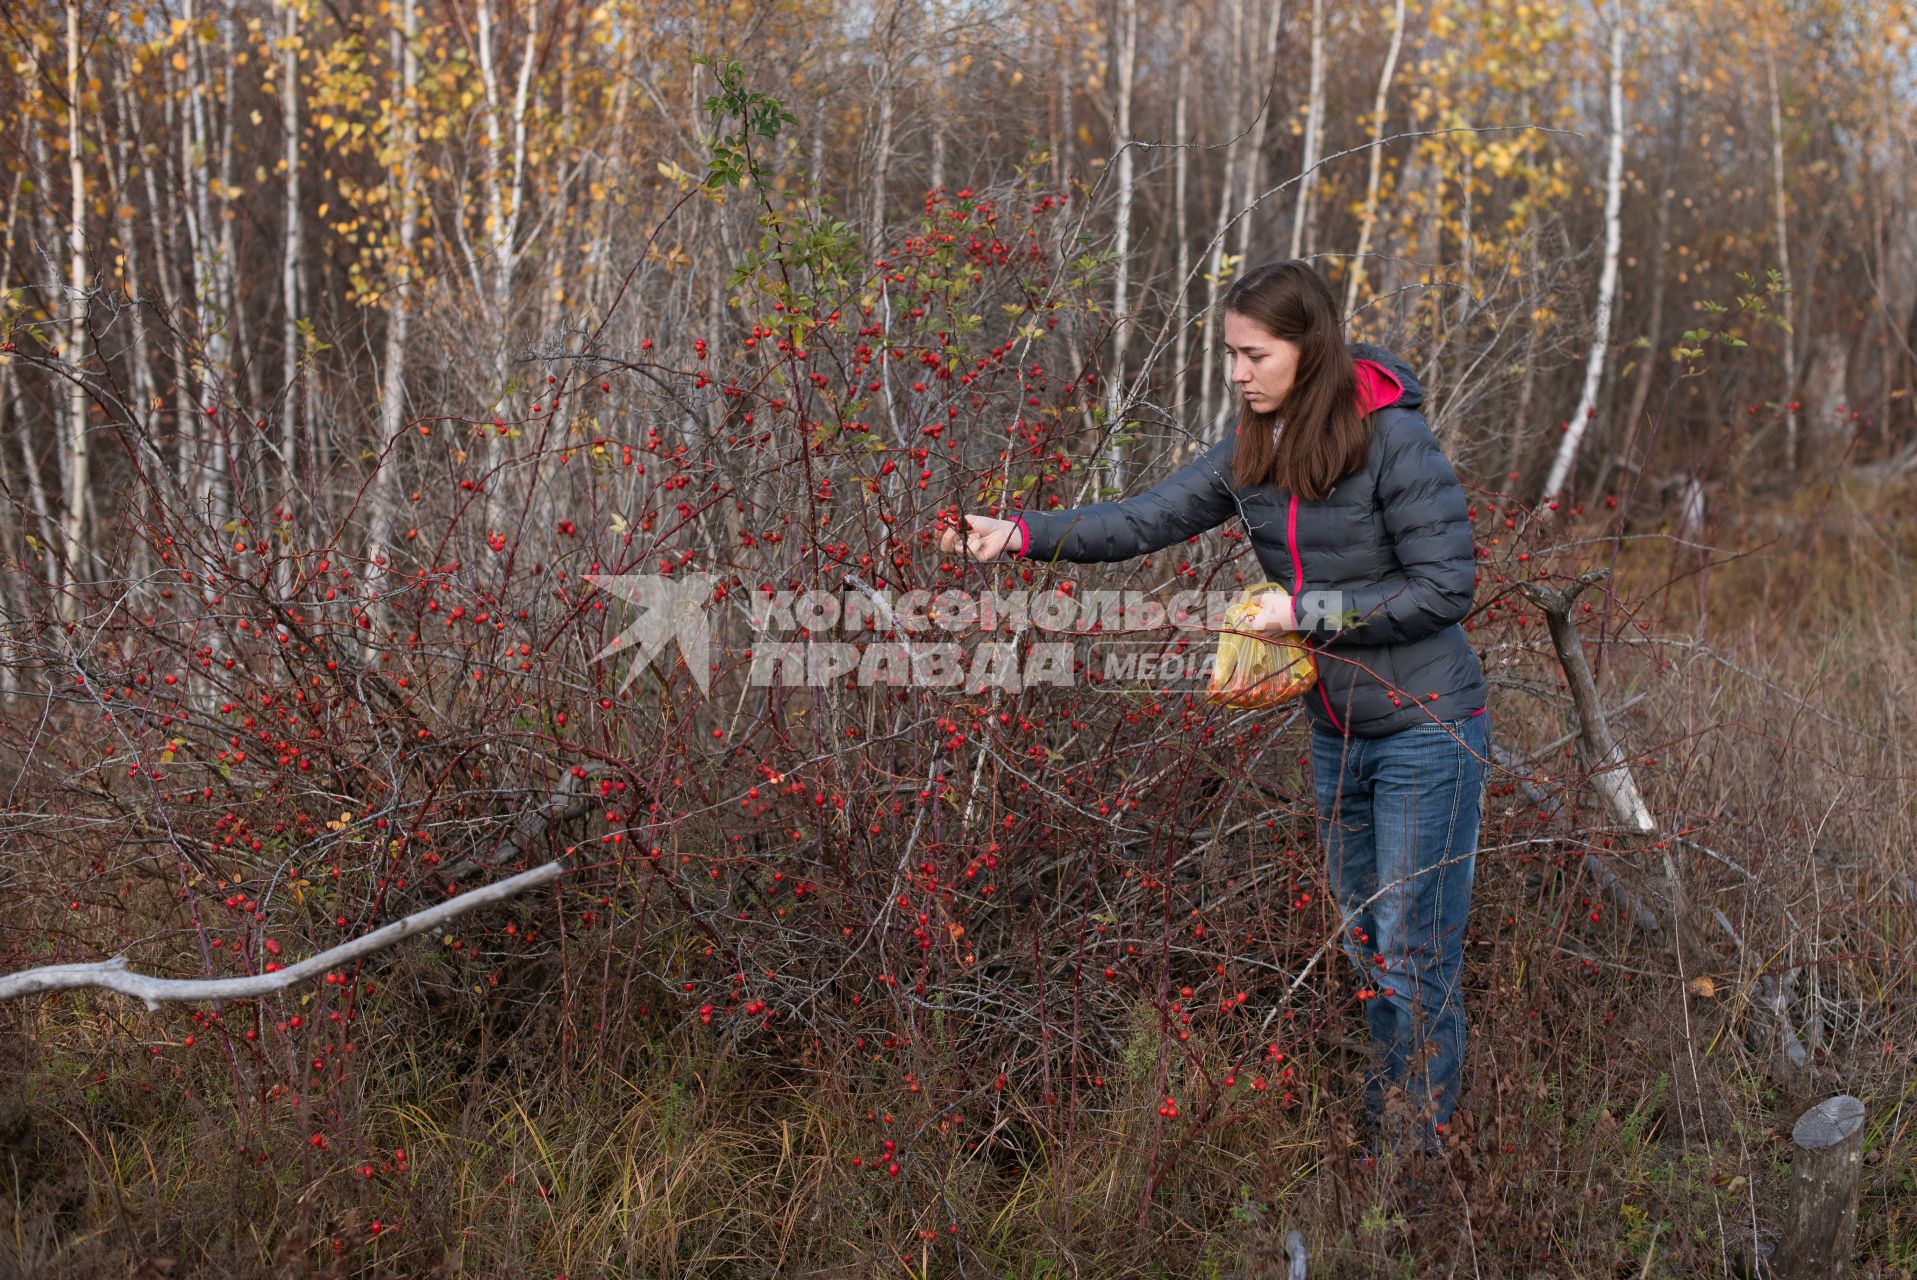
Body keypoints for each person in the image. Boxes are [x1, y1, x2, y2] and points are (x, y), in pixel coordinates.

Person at [939, 259, 1490, 1158]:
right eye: (1229, 353)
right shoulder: (1252, 449)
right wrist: (1022, 533)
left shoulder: (1394, 442)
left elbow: (1445, 587)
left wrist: (1308, 613)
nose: (1236, 372)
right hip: (1339, 731)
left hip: (1428, 727)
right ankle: (1390, 1140)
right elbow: (1144, 518)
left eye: (1253, 354)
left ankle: (1407, 1164)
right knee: (1367, 949)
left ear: (1308, 350)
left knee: (1411, 952)